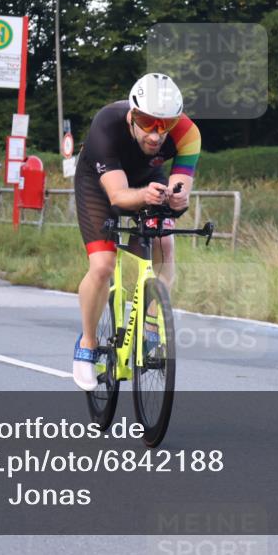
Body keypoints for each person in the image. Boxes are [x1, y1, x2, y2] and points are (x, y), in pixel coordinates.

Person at [71, 73, 201, 390]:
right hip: (99, 185)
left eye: (165, 124)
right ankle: (87, 342)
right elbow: (118, 197)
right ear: (132, 115)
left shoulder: (188, 133)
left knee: (165, 246)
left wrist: (178, 198)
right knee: (103, 265)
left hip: (146, 179)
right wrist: (145, 196)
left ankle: (152, 325)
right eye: (146, 122)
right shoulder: (107, 124)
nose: (155, 134)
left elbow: (180, 186)